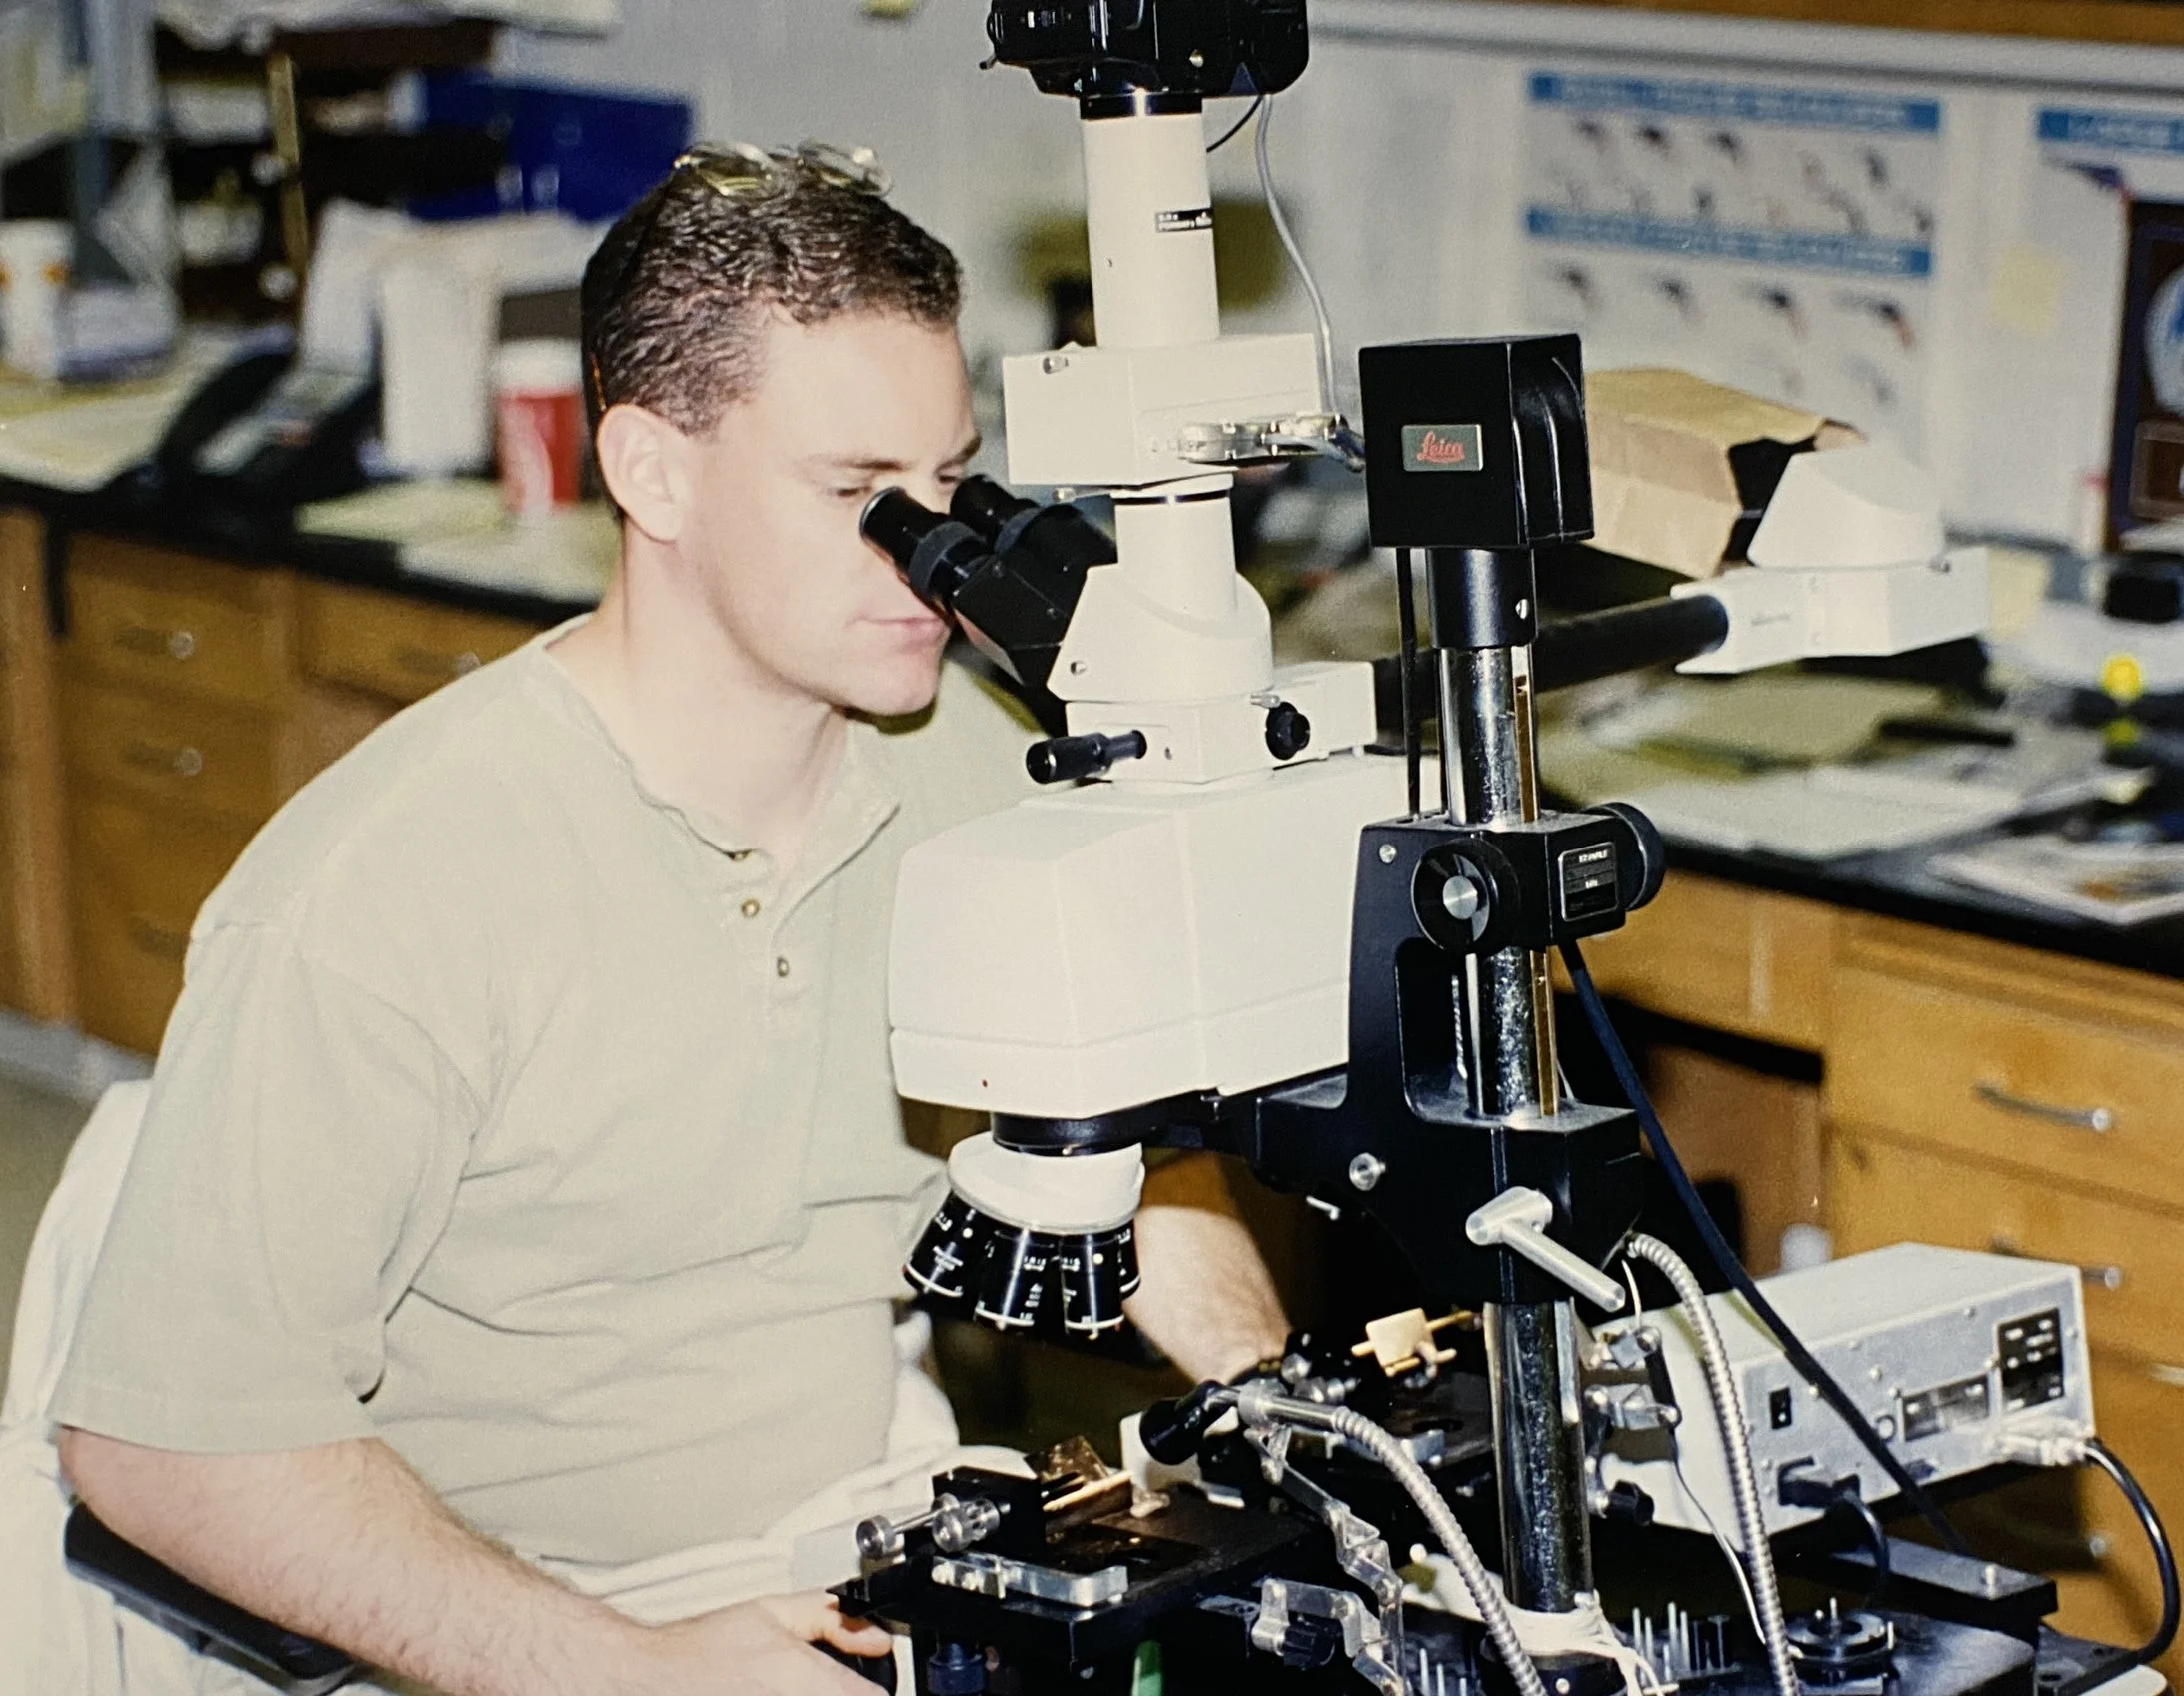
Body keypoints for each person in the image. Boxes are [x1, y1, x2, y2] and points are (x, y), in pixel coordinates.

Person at [49, 143, 1290, 1696]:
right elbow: (167, 1451)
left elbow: (1126, 1150)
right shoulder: (387, 887)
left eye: (950, 482)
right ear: (651, 472)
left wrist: (1285, 1413)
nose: (937, 558)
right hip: (510, 1624)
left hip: (865, 1548)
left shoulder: (980, 780)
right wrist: (630, 1670)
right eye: (857, 495)